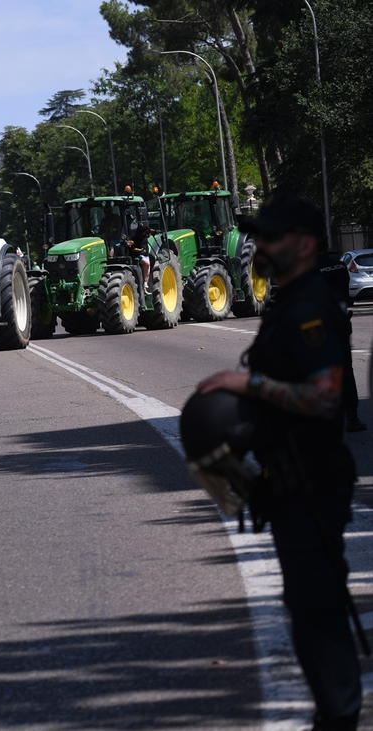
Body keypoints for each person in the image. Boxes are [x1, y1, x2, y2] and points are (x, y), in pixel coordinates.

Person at [198, 193, 361, 731]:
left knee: (318, 609)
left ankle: (338, 718)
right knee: (310, 606)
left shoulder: (310, 306)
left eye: (273, 237)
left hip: (311, 483)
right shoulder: (289, 301)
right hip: (290, 483)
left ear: (307, 245)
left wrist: (249, 384)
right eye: (258, 236)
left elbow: (324, 397)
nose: (260, 245)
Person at [318, 249, 366, 431]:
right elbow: (346, 298)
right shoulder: (340, 266)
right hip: (340, 324)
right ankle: (352, 418)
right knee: (346, 371)